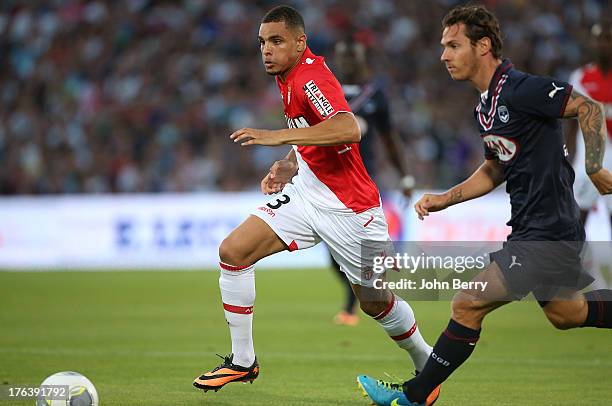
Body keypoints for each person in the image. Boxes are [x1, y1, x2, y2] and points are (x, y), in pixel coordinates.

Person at [357, 5, 612, 406]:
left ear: (484, 45)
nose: (444, 55)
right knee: (568, 314)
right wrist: (446, 197)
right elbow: (495, 168)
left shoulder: (521, 88)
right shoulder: (485, 105)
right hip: (532, 228)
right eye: (443, 46)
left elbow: (588, 107)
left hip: (549, 231)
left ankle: (415, 395)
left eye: (453, 45)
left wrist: (594, 166)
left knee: (467, 301)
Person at [192, 6, 437, 401]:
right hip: (307, 193)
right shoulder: (288, 77)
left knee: (374, 303)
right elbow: (310, 132)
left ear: (300, 42)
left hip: (350, 210)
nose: (266, 51)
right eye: (262, 43)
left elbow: (347, 127)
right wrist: (289, 163)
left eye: (276, 41)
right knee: (233, 251)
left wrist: (275, 137)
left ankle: (426, 362)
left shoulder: (310, 77)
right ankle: (242, 361)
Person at [331, 37, 416, 326]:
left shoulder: (374, 95)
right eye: (343, 56)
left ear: (362, 60)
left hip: (361, 179)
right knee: (333, 252)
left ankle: (355, 303)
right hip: (327, 180)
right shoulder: (326, 91)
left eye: (352, 56)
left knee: (358, 244)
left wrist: (404, 174)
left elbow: (389, 138)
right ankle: (357, 294)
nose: (347, 62)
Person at [568, 21, 612, 232]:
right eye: (600, 39)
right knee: (579, 217)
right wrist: (566, 156)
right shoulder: (580, 78)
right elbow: (569, 123)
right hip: (588, 158)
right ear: (593, 43)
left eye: (608, 39)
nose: (604, 44)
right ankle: (572, 263)